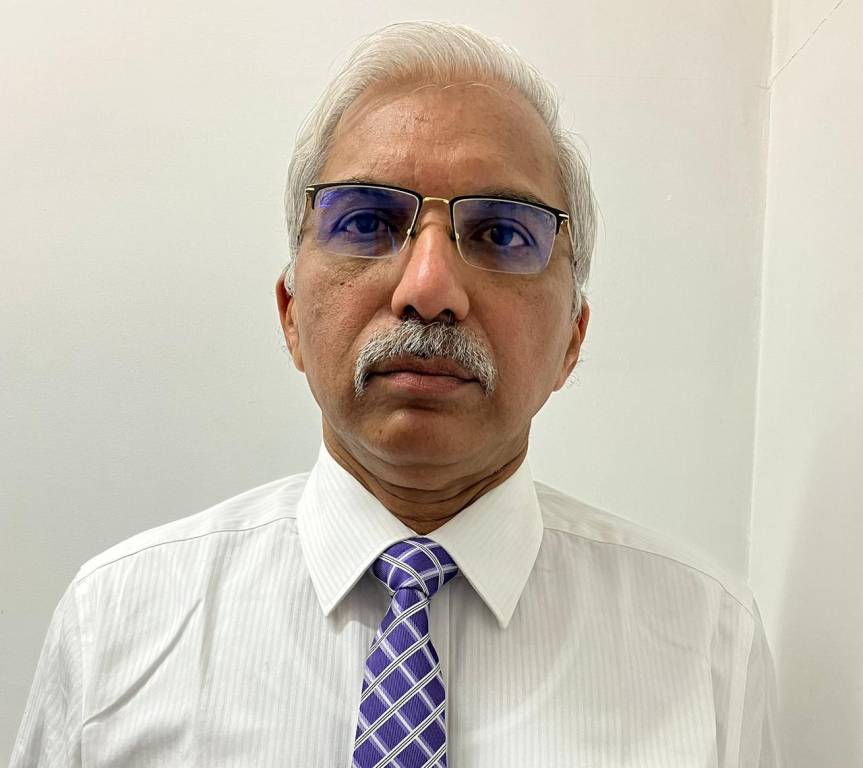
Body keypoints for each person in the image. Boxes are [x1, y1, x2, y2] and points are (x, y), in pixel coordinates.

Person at [11, 20, 781, 768]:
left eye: (501, 234)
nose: (429, 288)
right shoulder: (116, 622)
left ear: (570, 340)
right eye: (367, 221)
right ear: (291, 316)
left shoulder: (706, 645)